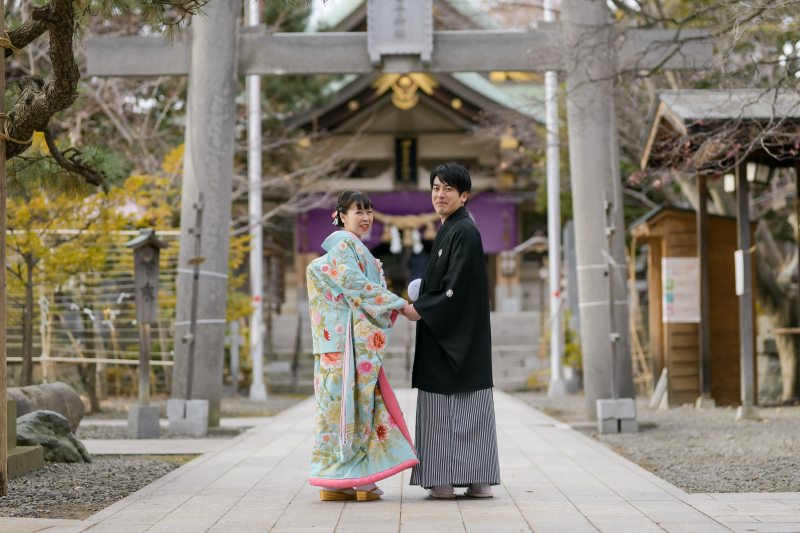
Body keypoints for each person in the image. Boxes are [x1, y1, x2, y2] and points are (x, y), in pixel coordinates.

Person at [306, 190, 419, 502]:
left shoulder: (345, 249)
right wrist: (400, 305)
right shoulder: (345, 246)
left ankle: (336, 482)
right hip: (346, 344)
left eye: (369, 211)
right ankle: (355, 479)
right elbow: (357, 288)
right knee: (352, 408)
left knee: (339, 408)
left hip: (338, 343)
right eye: (359, 212)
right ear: (342, 216)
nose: (366, 217)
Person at [403, 163, 501, 499]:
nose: (439, 194)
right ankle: (477, 479)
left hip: (453, 335)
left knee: (448, 409)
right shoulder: (453, 228)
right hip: (459, 335)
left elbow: (454, 287)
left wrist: (421, 308)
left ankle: (444, 480)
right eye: (435, 188)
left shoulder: (463, 230)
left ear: (464, 195)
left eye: (447, 189)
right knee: (467, 409)